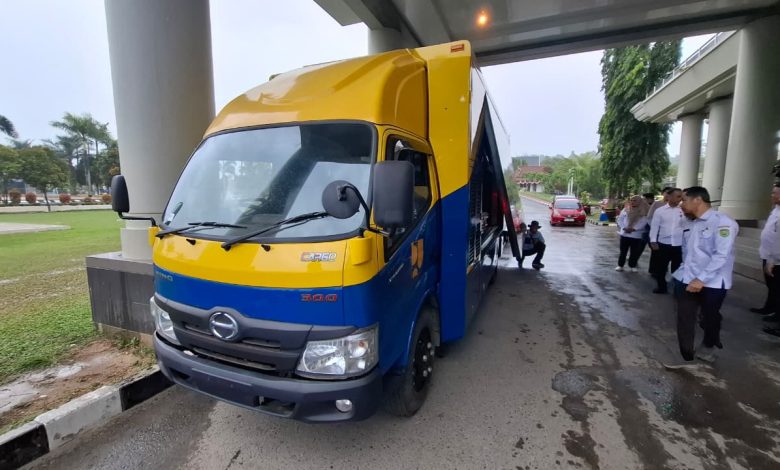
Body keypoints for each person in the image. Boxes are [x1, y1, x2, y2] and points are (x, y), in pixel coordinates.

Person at [664, 186, 738, 369]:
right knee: (684, 317)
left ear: (698, 200)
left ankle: (710, 342)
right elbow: (688, 252)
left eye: (684, 200)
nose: (681, 204)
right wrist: (680, 275)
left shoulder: (723, 223)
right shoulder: (689, 222)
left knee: (709, 318)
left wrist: (701, 279)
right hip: (688, 278)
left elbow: (721, 255)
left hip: (714, 282)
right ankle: (686, 356)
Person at [649, 188, 684, 294]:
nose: (680, 199)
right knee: (661, 268)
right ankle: (662, 287)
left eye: (681, 197)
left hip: (679, 244)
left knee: (677, 268)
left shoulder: (683, 210)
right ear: (669, 197)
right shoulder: (660, 211)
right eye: (678, 196)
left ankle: (677, 289)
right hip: (663, 244)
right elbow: (654, 227)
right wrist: (653, 241)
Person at [757, 185, 780, 336]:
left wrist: (773, 259)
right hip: (769, 254)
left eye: (775, 193)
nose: (772, 195)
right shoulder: (775, 210)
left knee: (777, 288)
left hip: (776, 258)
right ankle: (770, 308)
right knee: (772, 286)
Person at [615, 195, 649, 272]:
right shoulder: (626, 209)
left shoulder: (643, 210)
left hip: (636, 235)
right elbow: (620, 219)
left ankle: (632, 265)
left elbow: (644, 222)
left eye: (635, 200)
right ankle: (620, 265)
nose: (632, 202)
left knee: (634, 252)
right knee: (623, 251)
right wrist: (624, 227)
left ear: (640, 201)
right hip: (625, 234)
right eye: (631, 200)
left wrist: (634, 229)